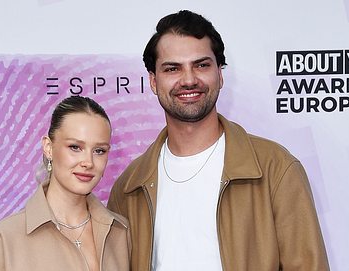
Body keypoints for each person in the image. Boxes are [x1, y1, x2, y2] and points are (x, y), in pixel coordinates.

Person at [107, 10, 329, 271]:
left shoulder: (275, 168)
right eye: (172, 69)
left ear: (220, 74)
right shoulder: (129, 187)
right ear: (154, 82)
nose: (189, 80)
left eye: (201, 65)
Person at [0, 96, 131, 271]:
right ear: (48, 148)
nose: (88, 162)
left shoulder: (121, 232)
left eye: (99, 151)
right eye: (75, 147)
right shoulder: (7, 236)